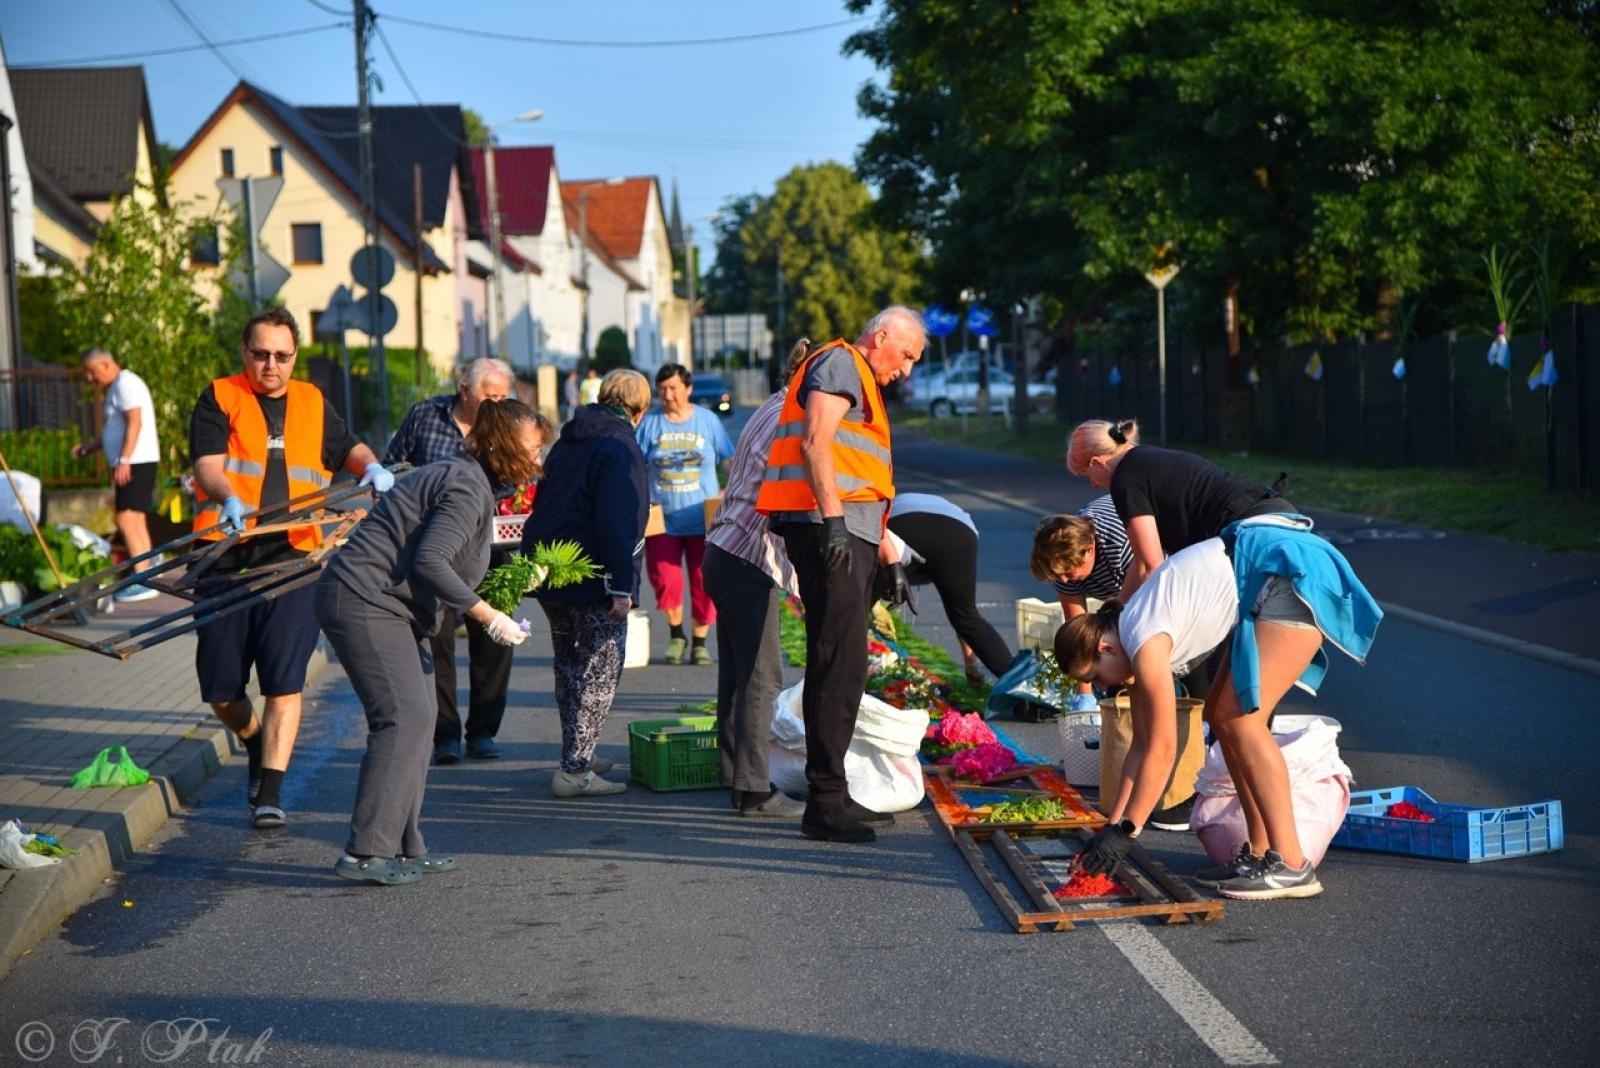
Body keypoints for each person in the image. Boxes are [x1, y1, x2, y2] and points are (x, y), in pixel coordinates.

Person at [1055, 512, 1381, 901]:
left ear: (1103, 647)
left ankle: (1291, 865)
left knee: (1244, 723)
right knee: (1221, 717)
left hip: (1289, 573)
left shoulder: (1142, 639)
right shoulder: (1130, 633)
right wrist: (1111, 826)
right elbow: (1140, 746)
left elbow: (1162, 751)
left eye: (1097, 675)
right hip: (1267, 582)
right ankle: (1261, 853)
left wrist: (1127, 833)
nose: (1104, 687)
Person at [319, 399, 542, 886]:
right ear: (504, 449)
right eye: (532, 450)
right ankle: (364, 853)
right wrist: (487, 616)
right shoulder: (466, 486)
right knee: (403, 717)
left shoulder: (469, 479)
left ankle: (403, 846)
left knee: (419, 719)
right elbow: (432, 563)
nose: (537, 461)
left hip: (384, 604)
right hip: (365, 598)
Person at [189, 307, 392, 830]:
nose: (270, 365)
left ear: (294, 357)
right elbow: (208, 464)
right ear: (245, 353)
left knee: (284, 681)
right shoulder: (220, 396)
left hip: (296, 555)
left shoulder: (311, 400)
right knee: (220, 686)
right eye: (260, 354)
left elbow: (346, 447)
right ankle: (255, 742)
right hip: (225, 553)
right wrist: (228, 497)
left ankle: (270, 793)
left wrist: (370, 465)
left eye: (281, 356)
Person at [756, 306, 924, 843]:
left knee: (845, 660)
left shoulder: (855, 374)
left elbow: (861, 474)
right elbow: (814, 443)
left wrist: (885, 556)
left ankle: (834, 790)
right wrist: (832, 523)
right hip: (827, 528)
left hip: (847, 532)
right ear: (881, 337)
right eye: (907, 356)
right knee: (837, 660)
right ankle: (824, 801)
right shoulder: (840, 364)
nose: (908, 371)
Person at [385, 357, 525, 765]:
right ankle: (445, 735)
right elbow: (393, 466)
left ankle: (483, 731)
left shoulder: (508, 427)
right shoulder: (426, 416)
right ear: (465, 389)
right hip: (434, 549)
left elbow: (523, 481)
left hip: (493, 545)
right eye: (490, 396)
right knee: (436, 640)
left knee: (495, 639)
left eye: (503, 396)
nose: (497, 404)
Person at [522, 368, 650, 797]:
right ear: (640, 408)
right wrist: (621, 584)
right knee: (598, 671)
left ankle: (580, 751)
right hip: (594, 573)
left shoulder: (569, 440)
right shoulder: (619, 445)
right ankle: (575, 770)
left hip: (554, 569)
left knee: (569, 667)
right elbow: (619, 520)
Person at [703, 340, 810, 819]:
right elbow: (792, 499)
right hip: (747, 558)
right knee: (762, 676)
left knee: (738, 672)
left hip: (723, 550)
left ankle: (732, 771)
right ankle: (753, 788)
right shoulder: (792, 420)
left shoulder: (772, 405)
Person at [1066, 418, 1293, 603]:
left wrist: (1123, 621)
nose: (1093, 485)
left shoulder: (1124, 480)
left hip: (1247, 535)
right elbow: (1145, 557)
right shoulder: (1147, 459)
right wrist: (1117, 606)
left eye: (1088, 476)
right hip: (1276, 513)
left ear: (1097, 462)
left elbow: (1150, 566)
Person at [636, 363, 735, 665]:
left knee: (704, 579)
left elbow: (729, 459)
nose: (668, 395)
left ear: (688, 389)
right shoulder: (650, 424)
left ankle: (701, 642)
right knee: (665, 579)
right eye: (663, 389)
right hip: (662, 517)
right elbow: (634, 465)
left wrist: (728, 490)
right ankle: (677, 634)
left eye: (674, 388)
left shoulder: (707, 421)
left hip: (703, 517)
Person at [879, 492, 1015, 684]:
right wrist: (971, 664)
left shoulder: (895, 504)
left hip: (901, 525)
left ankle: (846, 674)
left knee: (858, 608)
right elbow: (961, 619)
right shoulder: (940, 510)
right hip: (958, 531)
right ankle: (1018, 686)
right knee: (966, 616)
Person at [72, 348, 161, 602]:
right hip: (136, 461)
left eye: (91, 372)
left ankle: (142, 579)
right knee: (135, 519)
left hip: (136, 461)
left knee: (125, 519)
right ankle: (148, 572)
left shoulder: (125, 384)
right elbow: (116, 427)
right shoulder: (119, 386)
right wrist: (92, 446)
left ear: (106, 364)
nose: (90, 379)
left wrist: (124, 459)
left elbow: (135, 421)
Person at [1028, 495, 1132, 709]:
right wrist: (1084, 694)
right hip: (1121, 592)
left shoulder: (1118, 544)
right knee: (1111, 678)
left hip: (1166, 579)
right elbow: (1079, 631)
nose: (1064, 580)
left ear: (1089, 550)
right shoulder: (1062, 563)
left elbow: (1141, 607)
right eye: (1059, 575)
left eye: (1067, 572)